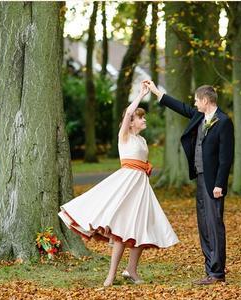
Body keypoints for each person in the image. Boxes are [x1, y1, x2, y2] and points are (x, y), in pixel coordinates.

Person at [58, 81, 179, 287]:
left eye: (143, 116)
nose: (144, 119)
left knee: (141, 228)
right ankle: (111, 275)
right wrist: (141, 94)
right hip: (126, 186)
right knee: (122, 231)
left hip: (141, 187)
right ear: (131, 122)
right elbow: (128, 113)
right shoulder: (124, 136)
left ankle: (131, 269)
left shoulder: (141, 141)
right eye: (141, 117)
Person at [143, 80, 234, 286]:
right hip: (201, 178)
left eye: (196, 100)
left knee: (214, 224)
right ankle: (210, 270)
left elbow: (226, 158)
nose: (194, 103)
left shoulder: (224, 122)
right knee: (203, 225)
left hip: (214, 183)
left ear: (205, 100)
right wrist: (157, 91)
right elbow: (180, 107)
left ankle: (218, 273)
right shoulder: (200, 116)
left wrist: (220, 184)